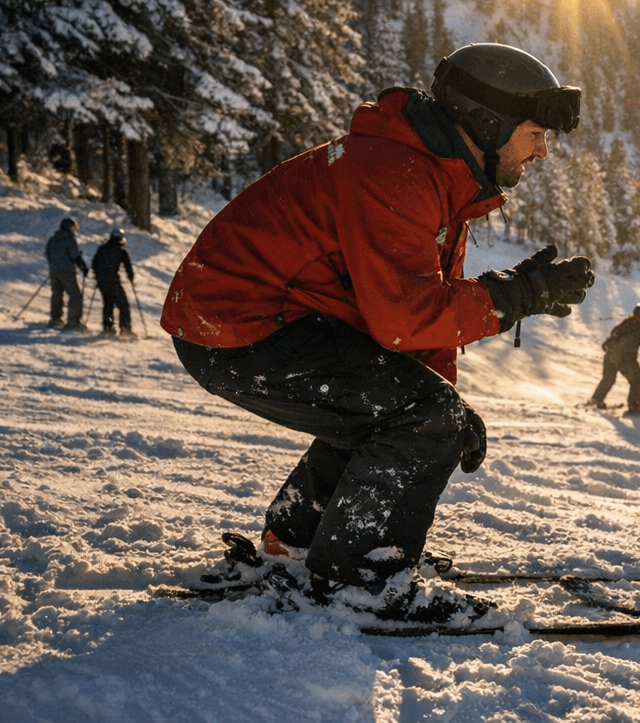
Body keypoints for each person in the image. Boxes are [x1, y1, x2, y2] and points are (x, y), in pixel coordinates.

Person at [161, 43, 595, 627]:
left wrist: (441, 405)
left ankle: (295, 546)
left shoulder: (436, 172)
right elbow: (405, 317)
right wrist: (513, 302)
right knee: (413, 413)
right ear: (487, 123)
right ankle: (360, 579)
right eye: (536, 131)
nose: (543, 149)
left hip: (258, 318)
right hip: (237, 323)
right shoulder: (396, 172)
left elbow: (413, 329)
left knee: (396, 411)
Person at [586, 305, 640, 413]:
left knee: (608, 379)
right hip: (625, 358)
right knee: (637, 381)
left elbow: (611, 336)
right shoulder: (639, 328)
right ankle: (634, 406)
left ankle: (596, 400)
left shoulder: (624, 323)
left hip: (610, 356)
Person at [91, 228, 136, 337]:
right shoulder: (121, 251)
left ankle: (108, 327)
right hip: (113, 281)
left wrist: (98, 277)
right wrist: (131, 277)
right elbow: (127, 266)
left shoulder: (102, 249)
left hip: (102, 282)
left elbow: (94, 263)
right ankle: (125, 328)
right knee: (123, 305)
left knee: (108, 303)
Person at [45, 217, 88, 331]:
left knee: (57, 293)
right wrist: (83, 266)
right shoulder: (69, 239)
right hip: (66, 271)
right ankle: (73, 322)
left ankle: (55, 319)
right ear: (69, 228)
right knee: (75, 295)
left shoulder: (53, 239)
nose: (74, 230)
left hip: (54, 271)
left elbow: (48, 253)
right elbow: (74, 255)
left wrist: (55, 263)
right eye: (73, 228)